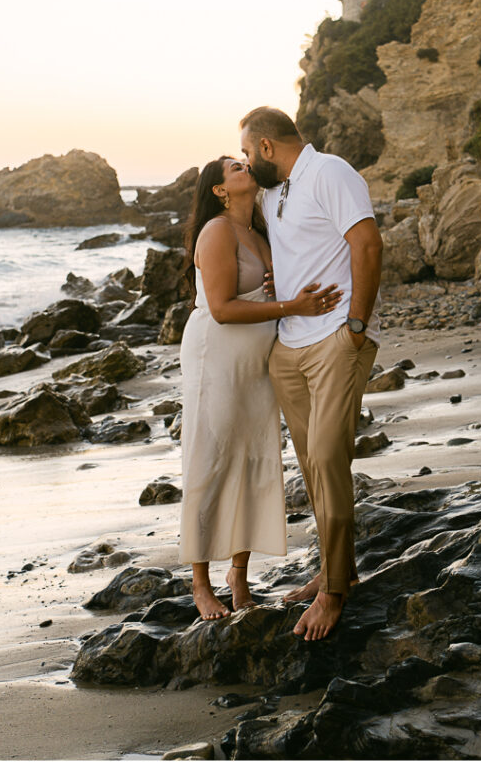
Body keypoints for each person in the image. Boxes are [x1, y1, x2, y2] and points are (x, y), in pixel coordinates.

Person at [239, 107, 383, 641]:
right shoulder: (273, 193)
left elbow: (367, 244)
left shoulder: (331, 173)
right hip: (288, 350)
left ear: (267, 147)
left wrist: (357, 323)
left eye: (247, 154)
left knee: (327, 457)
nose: (246, 163)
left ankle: (334, 593)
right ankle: (332, 567)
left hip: (333, 343)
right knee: (312, 465)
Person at [179, 156, 343, 620]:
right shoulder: (217, 232)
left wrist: (292, 293)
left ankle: (239, 575)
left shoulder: (260, 229)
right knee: (210, 460)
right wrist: (294, 306)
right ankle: (200, 583)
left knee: (255, 457)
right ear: (219, 189)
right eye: (233, 166)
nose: (243, 164)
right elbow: (223, 308)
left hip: (258, 359)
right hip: (218, 354)